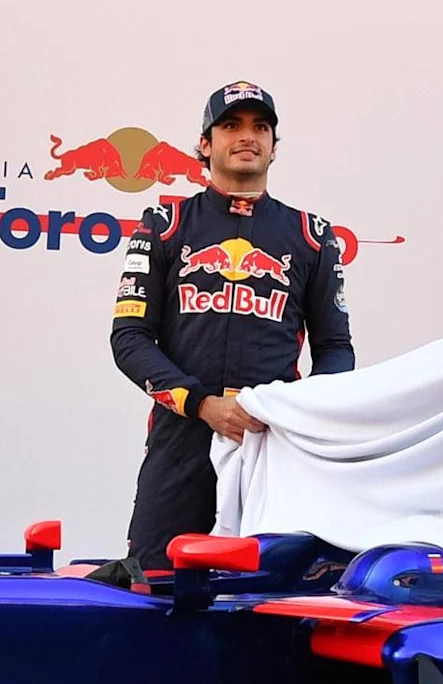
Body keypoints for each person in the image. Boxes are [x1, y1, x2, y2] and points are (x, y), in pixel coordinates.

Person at [109, 81, 354, 573]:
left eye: (260, 127)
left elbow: (336, 349)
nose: (247, 136)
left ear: (274, 147)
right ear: (205, 144)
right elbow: (129, 339)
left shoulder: (311, 235)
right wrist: (203, 404)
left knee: (275, 597)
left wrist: (293, 415)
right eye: (231, 125)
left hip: (275, 446)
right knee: (157, 585)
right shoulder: (165, 222)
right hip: (182, 439)